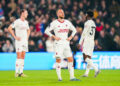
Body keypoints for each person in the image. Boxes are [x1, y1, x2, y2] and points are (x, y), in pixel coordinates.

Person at [45, 9, 80, 81]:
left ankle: (72, 77)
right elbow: (46, 31)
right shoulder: (54, 23)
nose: (62, 13)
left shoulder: (67, 22)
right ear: (57, 14)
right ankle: (59, 78)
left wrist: (70, 37)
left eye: (63, 12)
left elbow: (74, 30)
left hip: (66, 44)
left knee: (70, 59)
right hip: (58, 44)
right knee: (58, 59)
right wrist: (54, 37)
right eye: (60, 12)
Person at [8, 9, 30, 77]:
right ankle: (16, 72)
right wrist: (15, 37)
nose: (27, 14)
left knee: (23, 56)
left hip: (24, 41)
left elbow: (28, 30)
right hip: (19, 41)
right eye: (26, 13)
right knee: (19, 56)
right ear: (22, 13)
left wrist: (27, 38)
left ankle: (21, 72)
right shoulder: (17, 21)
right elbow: (9, 28)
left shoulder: (26, 22)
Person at [78, 10, 100, 77]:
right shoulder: (93, 23)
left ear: (87, 15)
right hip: (92, 41)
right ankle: (86, 73)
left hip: (87, 41)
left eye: (86, 14)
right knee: (89, 58)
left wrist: (80, 42)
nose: (85, 15)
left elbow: (84, 33)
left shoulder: (87, 23)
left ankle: (96, 69)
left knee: (85, 58)